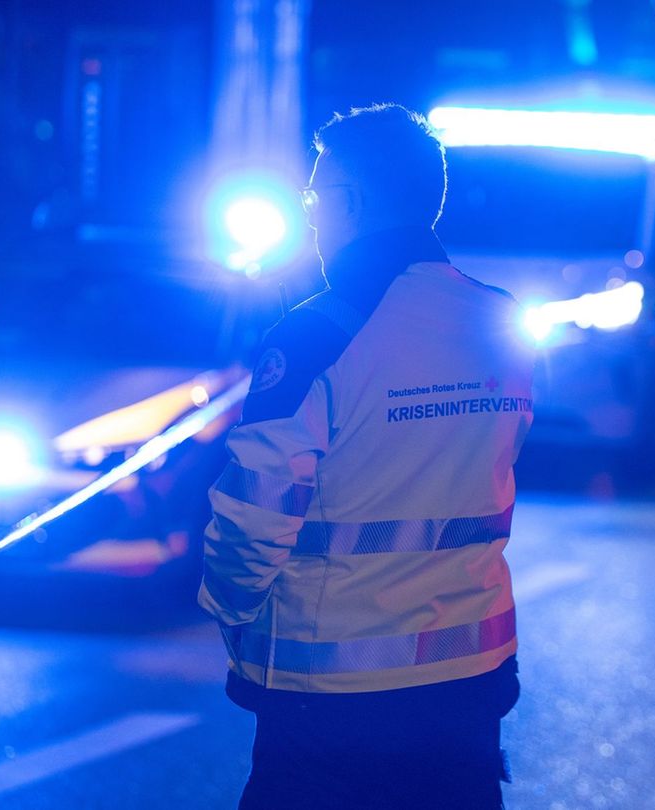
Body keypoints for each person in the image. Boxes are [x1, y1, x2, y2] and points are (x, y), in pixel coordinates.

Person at [198, 103, 535, 809]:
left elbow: (254, 516)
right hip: (470, 679)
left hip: (333, 699)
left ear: (349, 203)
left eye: (315, 197)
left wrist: (230, 608)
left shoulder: (317, 336)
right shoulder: (502, 319)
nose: (312, 217)